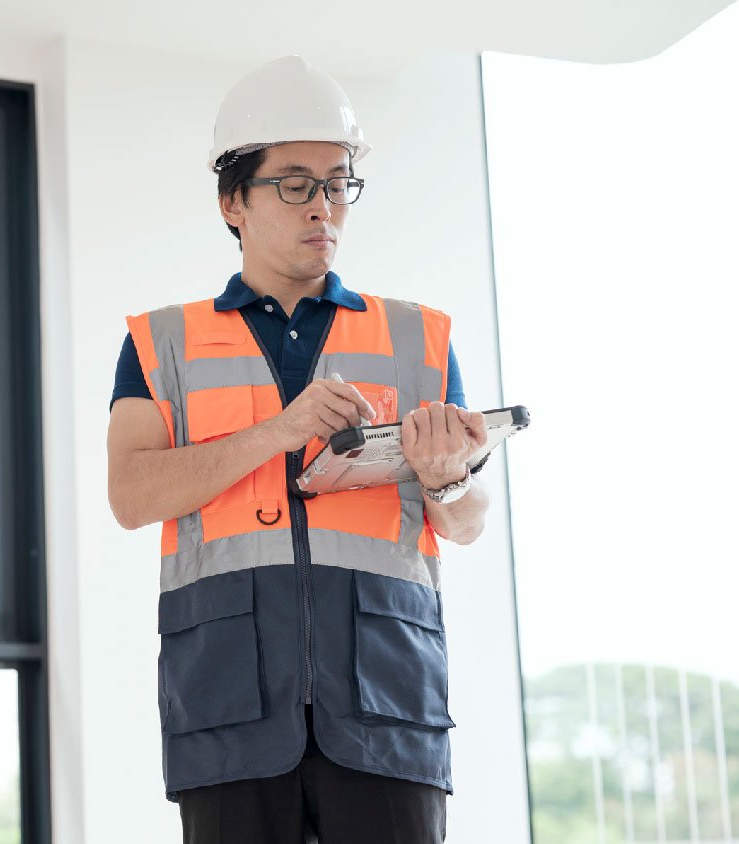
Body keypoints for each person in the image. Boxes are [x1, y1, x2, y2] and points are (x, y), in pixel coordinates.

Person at [106, 56, 493, 843]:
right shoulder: (161, 344)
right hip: (229, 703)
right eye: (294, 183)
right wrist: (279, 432)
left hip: (386, 698)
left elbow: (467, 521)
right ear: (232, 201)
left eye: (338, 182)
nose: (323, 206)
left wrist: (448, 482)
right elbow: (131, 497)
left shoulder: (420, 336)